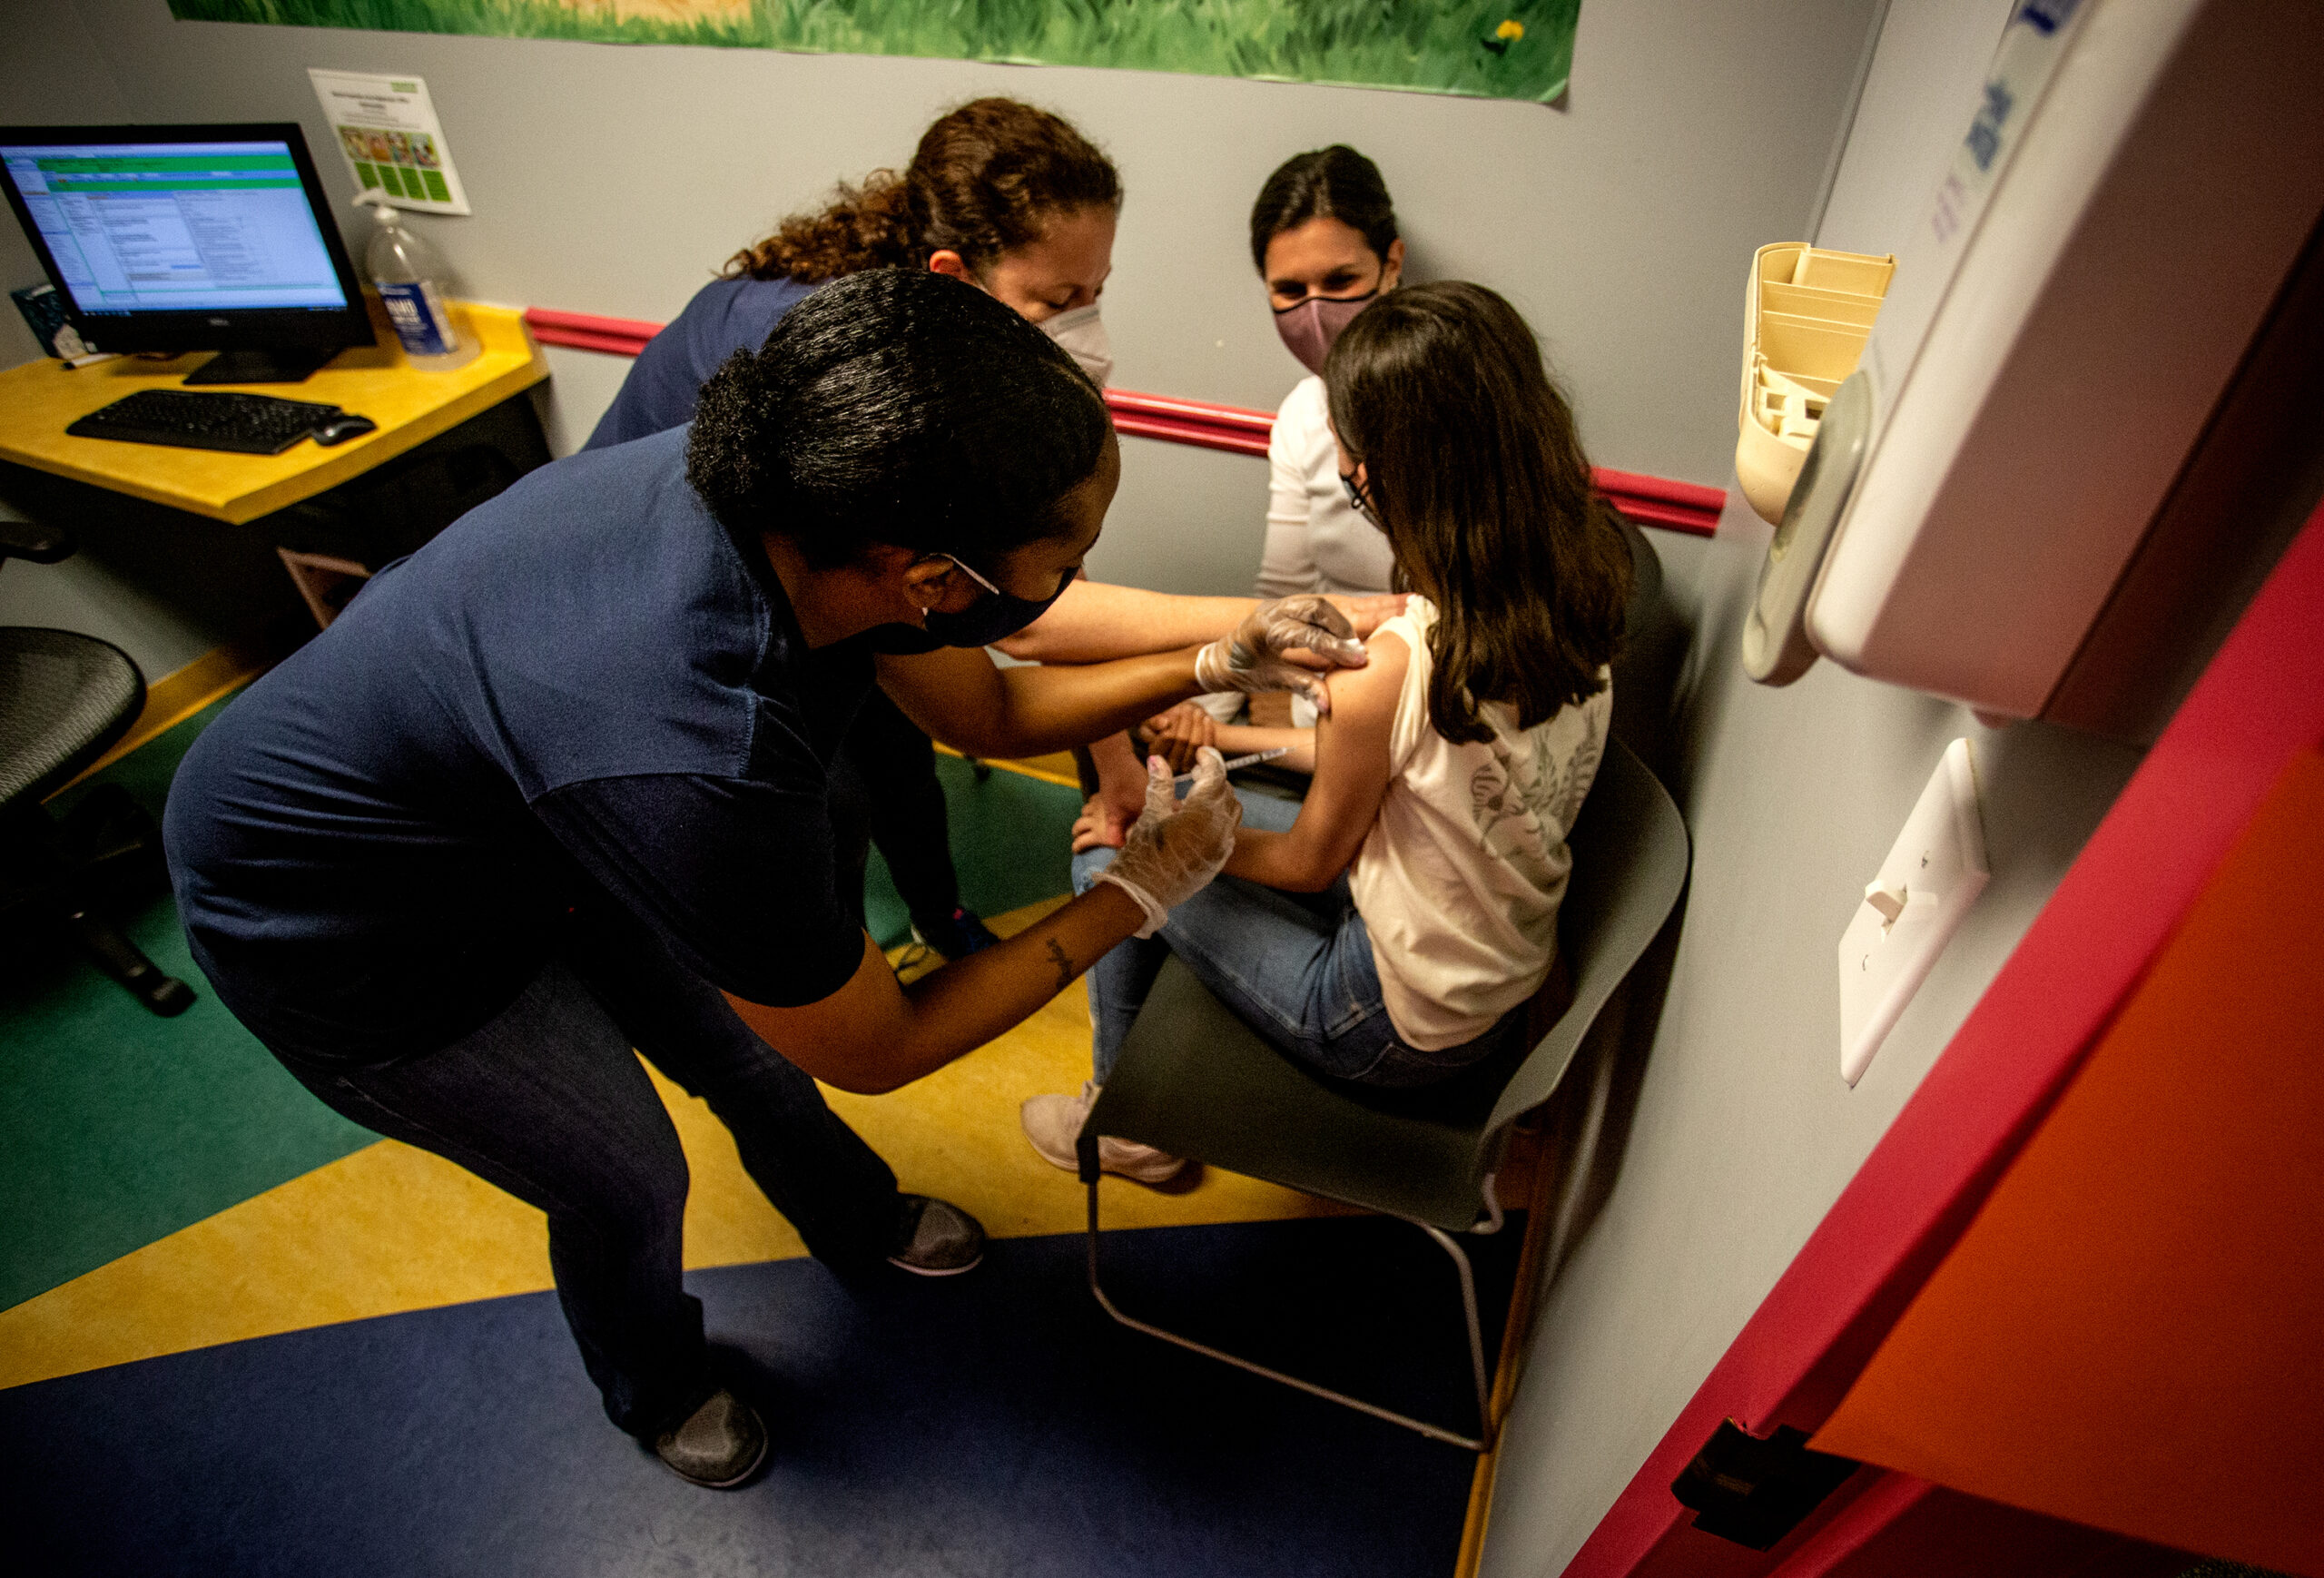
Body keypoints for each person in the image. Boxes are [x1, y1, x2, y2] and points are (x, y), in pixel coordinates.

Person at [164, 271, 1368, 1488]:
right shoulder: (704, 751)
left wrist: (1212, 657)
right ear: (929, 573)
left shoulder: (814, 498)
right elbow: (880, 1042)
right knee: (626, 1174)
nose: (1068, 588)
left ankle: (854, 1215)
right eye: (1065, 563)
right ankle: (656, 1381)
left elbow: (995, 702)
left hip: (531, 812)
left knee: (741, 1050)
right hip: (339, 918)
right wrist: (1139, 890)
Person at [1021, 281, 1633, 1182]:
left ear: (1378, 472)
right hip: (1492, 979)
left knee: (1104, 857)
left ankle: (1129, 1127)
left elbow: (1312, 861)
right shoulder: (1587, 577)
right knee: (1177, 816)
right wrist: (1225, 747)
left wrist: (1165, 844)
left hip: (1383, 1026)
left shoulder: (1393, 663)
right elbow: (1404, 771)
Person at [587, 97, 1124, 959]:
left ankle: (937, 913)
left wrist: (1123, 766)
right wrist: (1229, 639)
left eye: (1096, 293)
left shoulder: (934, 337)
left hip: (812, 554)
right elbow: (1030, 626)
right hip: (663, 589)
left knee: (902, 751)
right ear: (953, 275)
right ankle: (829, 969)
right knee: (820, 797)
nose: (1084, 326)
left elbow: (1045, 555)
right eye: (1060, 299)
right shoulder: (838, 364)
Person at [1093, 144, 1410, 833]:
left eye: (1340, 279)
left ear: (1392, 264)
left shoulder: (1445, 414)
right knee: (1119, 801)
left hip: (1381, 737)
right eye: (1290, 291)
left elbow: (1407, 717)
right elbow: (1278, 603)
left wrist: (1222, 734)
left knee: (1117, 849)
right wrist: (1203, 708)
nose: (1316, 312)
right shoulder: (1302, 414)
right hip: (1310, 713)